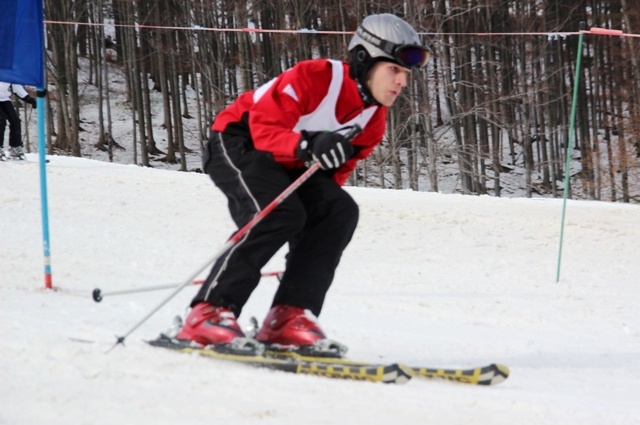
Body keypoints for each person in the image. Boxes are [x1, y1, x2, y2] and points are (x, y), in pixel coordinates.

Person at [176, 14, 430, 353]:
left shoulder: (374, 119)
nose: (401, 82)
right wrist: (307, 144)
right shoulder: (315, 77)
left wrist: (310, 240)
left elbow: (332, 178)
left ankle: (288, 317)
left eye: (406, 74)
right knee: (279, 214)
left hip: (292, 162)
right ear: (363, 60)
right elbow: (264, 129)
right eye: (394, 70)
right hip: (239, 141)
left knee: (337, 212)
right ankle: (209, 312)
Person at [0, 82, 36, 161]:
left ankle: (15, 147)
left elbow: (16, 88)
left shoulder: (9, 73)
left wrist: (28, 99)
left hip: (4, 98)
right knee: (1, 120)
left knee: (15, 121)